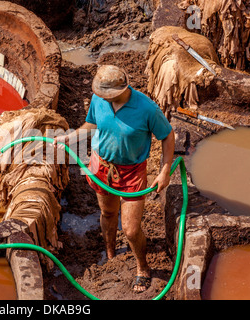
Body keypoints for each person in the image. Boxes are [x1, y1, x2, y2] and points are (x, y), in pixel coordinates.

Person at [54, 65, 175, 293]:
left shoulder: (146, 108)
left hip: (131, 172)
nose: (99, 96)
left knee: (130, 229)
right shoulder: (98, 100)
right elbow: (92, 124)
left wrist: (164, 170)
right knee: (108, 213)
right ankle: (110, 252)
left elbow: (167, 135)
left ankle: (143, 268)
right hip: (102, 167)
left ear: (118, 90)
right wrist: (70, 138)